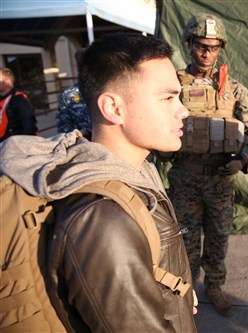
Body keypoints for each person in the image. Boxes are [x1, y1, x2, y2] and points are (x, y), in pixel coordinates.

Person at [0, 32, 197, 332]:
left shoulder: (139, 171)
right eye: (168, 98)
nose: (183, 110)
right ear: (114, 108)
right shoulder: (103, 221)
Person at [161, 13, 248, 317]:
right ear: (189, 44)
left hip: (220, 181)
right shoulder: (172, 85)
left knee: (218, 240)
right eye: (201, 46)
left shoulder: (235, 89)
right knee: (185, 241)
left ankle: (214, 286)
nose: (206, 53)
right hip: (185, 181)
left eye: (213, 47)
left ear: (221, 49)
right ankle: (186, 290)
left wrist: (241, 160)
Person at [56, 49, 91, 133]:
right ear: (76, 67)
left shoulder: (107, 90)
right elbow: (63, 127)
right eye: (83, 65)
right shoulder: (68, 95)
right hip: (82, 144)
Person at [0, 67, 37, 141]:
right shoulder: (2, 99)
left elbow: (29, 127)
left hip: (13, 145)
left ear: (7, 82)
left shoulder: (19, 100)